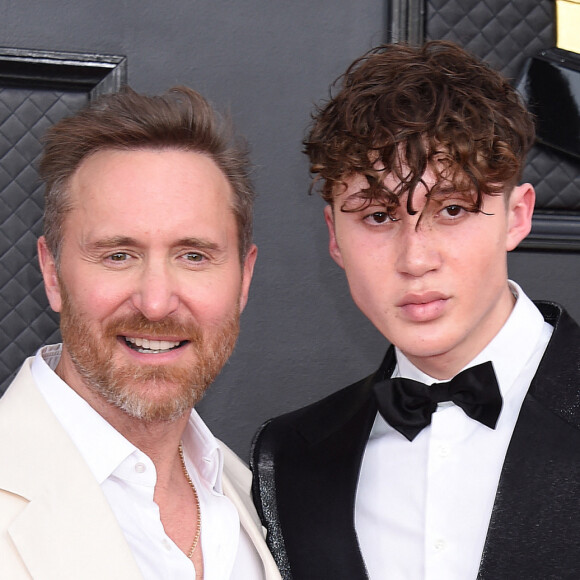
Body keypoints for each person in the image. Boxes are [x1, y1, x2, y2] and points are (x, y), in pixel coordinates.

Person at [251, 41, 580, 579]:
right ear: (335, 236)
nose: (416, 259)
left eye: (452, 209)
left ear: (516, 217)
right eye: (378, 217)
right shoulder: (290, 456)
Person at [0, 86, 281, 579]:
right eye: (118, 255)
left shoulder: (256, 500)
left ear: (244, 279)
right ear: (52, 273)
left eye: (194, 256)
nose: (155, 303)